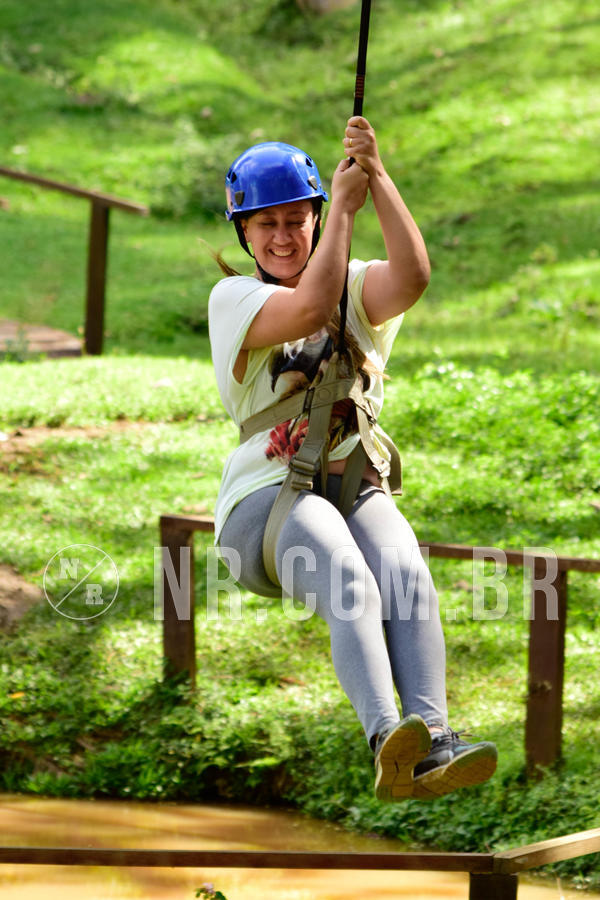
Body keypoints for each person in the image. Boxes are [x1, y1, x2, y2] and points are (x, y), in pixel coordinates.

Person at [208, 116, 497, 801]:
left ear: (312, 218)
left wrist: (377, 175)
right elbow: (311, 308)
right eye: (266, 224)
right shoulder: (235, 299)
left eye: (296, 219)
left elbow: (413, 275)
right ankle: (387, 739)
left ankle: (431, 743)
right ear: (243, 233)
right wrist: (339, 208)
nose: (283, 236)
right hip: (263, 509)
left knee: (406, 575)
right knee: (350, 580)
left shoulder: (359, 286)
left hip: (350, 490)